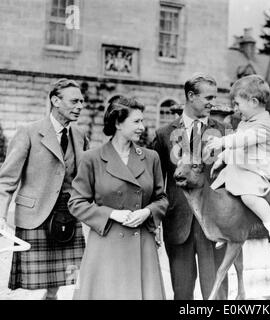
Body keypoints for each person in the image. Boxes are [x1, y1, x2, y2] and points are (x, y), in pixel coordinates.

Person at [68, 96, 168, 300]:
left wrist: (147, 211)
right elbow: (76, 203)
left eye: (142, 121)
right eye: (136, 121)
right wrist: (113, 214)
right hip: (106, 243)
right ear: (117, 123)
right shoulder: (92, 158)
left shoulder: (151, 158)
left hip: (142, 244)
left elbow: (162, 199)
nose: (142, 126)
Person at [0, 78, 88, 300]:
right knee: (28, 281)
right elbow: (7, 180)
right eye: (74, 101)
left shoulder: (79, 136)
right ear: (55, 100)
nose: (80, 106)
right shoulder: (28, 132)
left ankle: (51, 298)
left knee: (62, 279)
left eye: (82, 101)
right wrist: (0, 215)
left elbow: (84, 179)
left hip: (68, 215)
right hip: (34, 214)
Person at [151, 73, 229, 300]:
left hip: (215, 224)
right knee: (182, 293)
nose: (211, 103)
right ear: (190, 96)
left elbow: (233, 179)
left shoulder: (225, 133)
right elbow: (157, 182)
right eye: (207, 97)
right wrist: (155, 222)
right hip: (177, 223)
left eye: (214, 97)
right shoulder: (164, 134)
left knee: (216, 292)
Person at [207, 74, 270, 250]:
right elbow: (238, 145)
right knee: (216, 190)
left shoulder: (264, 125)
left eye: (237, 104)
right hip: (241, 167)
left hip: (257, 171)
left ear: (253, 102)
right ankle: (226, 228)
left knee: (248, 196)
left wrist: (221, 142)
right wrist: (222, 158)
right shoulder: (246, 121)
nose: (235, 108)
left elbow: (243, 140)